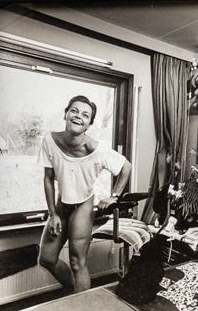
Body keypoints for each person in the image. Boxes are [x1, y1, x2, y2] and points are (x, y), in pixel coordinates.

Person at [38, 94, 130, 294]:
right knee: (46, 259)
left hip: (83, 206)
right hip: (61, 205)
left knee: (76, 262)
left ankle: (81, 304)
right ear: (66, 114)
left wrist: (114, 195)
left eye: (85, 115)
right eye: (74, 110)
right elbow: (48, 178)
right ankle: (75, 292)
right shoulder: (49, 141)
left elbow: (126, 167)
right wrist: (52, 214)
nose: (79, 116)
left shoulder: (97, 149)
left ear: (89, 124)